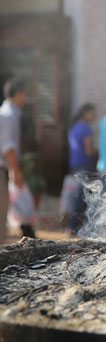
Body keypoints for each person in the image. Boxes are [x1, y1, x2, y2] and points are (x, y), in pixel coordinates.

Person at [0, 80, 28, 243]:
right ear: (17, 95)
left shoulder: (7, 113)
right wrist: (17, 172)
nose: (25, 98)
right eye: (24, 94)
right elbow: (8, 149)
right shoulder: (9, 116)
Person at [67, 103, 96, 235]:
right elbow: (89, 151)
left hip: (75, 165)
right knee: (82, 197)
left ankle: (75, 226)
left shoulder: (74, 128)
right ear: (86, 113)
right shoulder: (86, 128)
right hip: (84, 165)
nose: (94, 116)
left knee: (80, 196)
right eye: (92, 113)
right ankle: (74, 226)